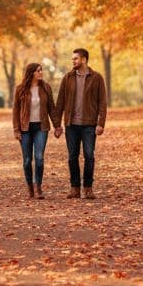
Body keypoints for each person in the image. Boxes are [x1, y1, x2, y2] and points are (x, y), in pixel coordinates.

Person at [52, 48, 107, 199]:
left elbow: (102, 102)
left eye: (75, 59)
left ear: (84, 59)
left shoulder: (97, 78)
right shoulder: (67, 78)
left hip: (89, 124)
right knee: (72, 156)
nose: (73, 61)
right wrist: (57, 125)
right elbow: (60, 102)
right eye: (72, 59)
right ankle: (75, 188)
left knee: (89, 156)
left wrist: (101, 123)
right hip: (71, 125)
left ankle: (88, 188)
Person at [12, 62, 55, 199]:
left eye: (41, 70)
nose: (41, 73)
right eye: (38, 71)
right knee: (27, 160)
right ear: (31, 73)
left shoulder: (46, 88)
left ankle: (38, 188)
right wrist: (16, 130)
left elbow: (51, 108)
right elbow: (16, 111)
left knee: (39, 158)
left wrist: (57, 125)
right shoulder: (20, 89)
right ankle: (30, 186)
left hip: (41, 127)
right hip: (25, 128)